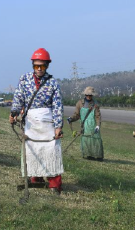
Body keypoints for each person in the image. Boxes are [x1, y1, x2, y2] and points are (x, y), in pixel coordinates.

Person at [9, 48, 64, 195]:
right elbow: (18, 97)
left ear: (47, 66)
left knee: (51, 150)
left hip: (48, 122)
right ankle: (36, 179)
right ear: (33, 65)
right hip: (31, 122)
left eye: (42, 66)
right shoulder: (24, 79)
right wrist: (14, 113)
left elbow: (57, 106)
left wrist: (58, 126)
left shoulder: (53, 83)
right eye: (36, 66)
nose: (39, 69)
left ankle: (54, 184)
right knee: (33, 151)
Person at [67, 86, 104, 161]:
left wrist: (97, 126)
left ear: (92, 95)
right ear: (85, 95)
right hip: (84, 126)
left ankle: (98, 156)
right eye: (87, 95)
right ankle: (88, 155)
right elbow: (77, 115)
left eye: (90, 95)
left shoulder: (95, 104)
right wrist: (71, 118)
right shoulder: (79, 103)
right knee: (86, 140)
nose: (88, 96)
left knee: (95, 141)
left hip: (93, 125)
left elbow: (98, 116)